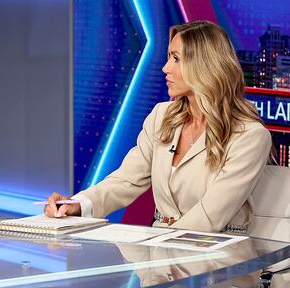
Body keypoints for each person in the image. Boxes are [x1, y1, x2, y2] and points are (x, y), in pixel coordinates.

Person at [45, 20, 272, 236]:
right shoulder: (162, 116)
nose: (165, 68)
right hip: (160, 256)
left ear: (204, 66)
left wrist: (157, 250)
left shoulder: (249, 137)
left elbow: (209, 217)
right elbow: (126, 181)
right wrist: (77, 205)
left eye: (176, 59)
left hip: (219, 259)